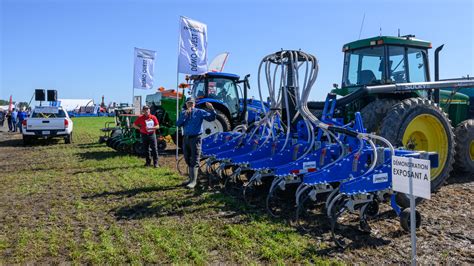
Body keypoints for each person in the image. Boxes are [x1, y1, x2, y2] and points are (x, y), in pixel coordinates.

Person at [176, 98, 216, 189]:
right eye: (188, 103)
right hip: (186, 138)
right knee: (187, 158)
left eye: (191, 103)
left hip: (195, 138)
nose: (190, 104)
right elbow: (178, 124)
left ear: (194, 104)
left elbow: (211, 118)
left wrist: (212, 109)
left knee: (195, 158)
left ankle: (194, 181)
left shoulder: (199, 112)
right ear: (186, 104)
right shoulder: (183, 113)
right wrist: (184, 116)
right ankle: (191, 179)